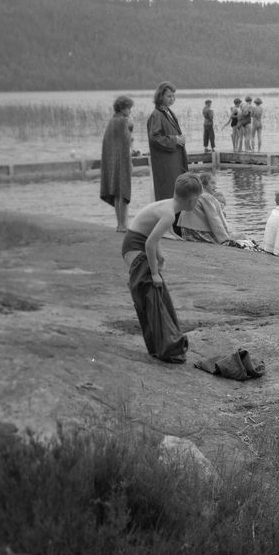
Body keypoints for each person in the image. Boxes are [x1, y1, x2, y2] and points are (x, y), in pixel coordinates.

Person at [122, 172, 203, 362]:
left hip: (134, 243)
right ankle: (166, 346)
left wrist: (160, 256)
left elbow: (152, 234)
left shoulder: (167, 206)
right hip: (135, 247)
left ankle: (162, 345)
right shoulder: (169, 215)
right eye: (198, 199)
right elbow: (149, 242)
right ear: (192, 199)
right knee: (154, 293)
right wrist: (154, 272)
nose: (197, 203)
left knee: (156, 296)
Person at [147, 81, 188, 202]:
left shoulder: (168, 112)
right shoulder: (156, 115)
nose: (172, 99)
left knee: (176, 193)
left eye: (173, 96)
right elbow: (154, 138)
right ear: (160, 96)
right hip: (166, 165)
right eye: (169, 96)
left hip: (174, 163)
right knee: (168, 196)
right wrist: (175, 140)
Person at [100, 95, 134, 232]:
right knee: (123, 193)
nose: (130, 111)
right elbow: (127, 143)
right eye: (129, 108)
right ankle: (123, 225)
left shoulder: (112, 121)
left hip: (112, 163)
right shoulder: (122, 121)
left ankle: (119, 224)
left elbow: (111, 142)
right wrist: (130, 130)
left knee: (116, 193)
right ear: (122, 108)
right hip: (122, 162)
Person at [177, 171, 235, 243]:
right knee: (239, 237)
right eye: (212, 183)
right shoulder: (206, 197)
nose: (215, 186)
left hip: (186, 230)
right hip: (197, 232)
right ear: (204, 184)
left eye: (215, 183)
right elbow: (214, 219)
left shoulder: (194, 194)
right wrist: (225, 239)